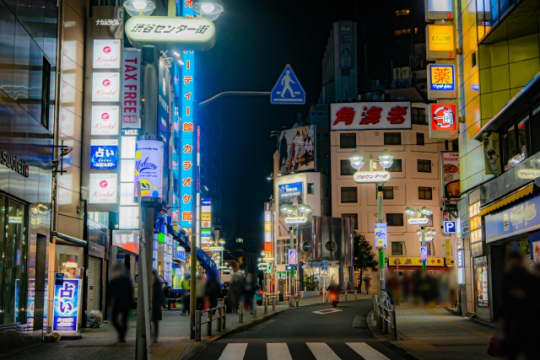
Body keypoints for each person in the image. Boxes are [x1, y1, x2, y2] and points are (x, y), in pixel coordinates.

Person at [500, 251, 535, 359]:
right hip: (528, 321)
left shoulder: (507, 277)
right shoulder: (529, 277)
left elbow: (503, 300)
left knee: (512, 351)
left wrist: (501, 319)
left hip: (512, 321)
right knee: (529, 351)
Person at [108, 264, 134, 343]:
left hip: (118, 303)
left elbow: (110, 294)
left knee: (115, 320)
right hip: (125, 303)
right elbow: (131, 292)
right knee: (123, 321)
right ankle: (122, 335)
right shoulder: (127, 280)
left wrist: (109, 304)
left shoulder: (114, 281)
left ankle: (121, 335)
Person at [151, 270, 164, 343]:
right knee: (149, 321)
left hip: (155, 305)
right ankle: (151, 335)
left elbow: (160, 294)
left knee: (155, 322)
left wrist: (161, 304)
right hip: (151, 305)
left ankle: (155, 337)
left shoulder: (157, 283)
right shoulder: (150, 283)